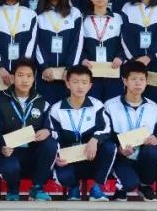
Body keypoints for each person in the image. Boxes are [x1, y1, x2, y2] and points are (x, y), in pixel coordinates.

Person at [48, 65, 116, 202]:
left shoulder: (97, 106)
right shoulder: (56, 109)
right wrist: (56, 156)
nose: (80, 86)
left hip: (91, 157)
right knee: (64, 176)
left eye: (84, 82)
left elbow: (106, 128)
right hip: (68, 160)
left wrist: (95, 139)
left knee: (110, 147)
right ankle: (73, 188)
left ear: (90, 86)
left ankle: (97, 188)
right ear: (67, 83)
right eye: (75, 82)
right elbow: (53, 136)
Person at [0, 59, 57, 201]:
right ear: (12, 77)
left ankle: (37, 188)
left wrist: (47, 131)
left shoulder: (42, 102)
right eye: (20, 75)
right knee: (9, 165)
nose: (25, 80)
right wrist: (2, 146)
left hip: (34, 153)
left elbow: (52, 128)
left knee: (51, 145)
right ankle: (12, 189)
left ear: (34, 79)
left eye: (29, 76)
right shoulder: (0, 102)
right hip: (11, 152)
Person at [104, 61, 157, 202]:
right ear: (125, 81)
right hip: (121, 157)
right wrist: (118, 149)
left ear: (146, 82)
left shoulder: (153, 107)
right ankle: (123, 188)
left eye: (142, 79)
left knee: (153, 152)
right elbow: (105, 136)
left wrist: (156, 139)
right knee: (130, 183)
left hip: (144, 155)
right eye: (134, 79)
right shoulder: (110, 106)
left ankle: (145, 186)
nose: (138, 83)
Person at [34, 0, 83, 104]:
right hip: (45, 75)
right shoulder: (37, 14)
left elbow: (77, 43)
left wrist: (70, 68)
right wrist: (43, 67)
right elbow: (36, 43)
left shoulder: (74, 13)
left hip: (67, 76)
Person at [77, 0, 125, 101]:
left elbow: (126, 44)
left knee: (113, 105)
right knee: (93, 105)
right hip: (90, 73)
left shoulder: (118, 18)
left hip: (113, 72)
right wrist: (82, 59)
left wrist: (120, 57)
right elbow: (77, 45)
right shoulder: (82, 19)